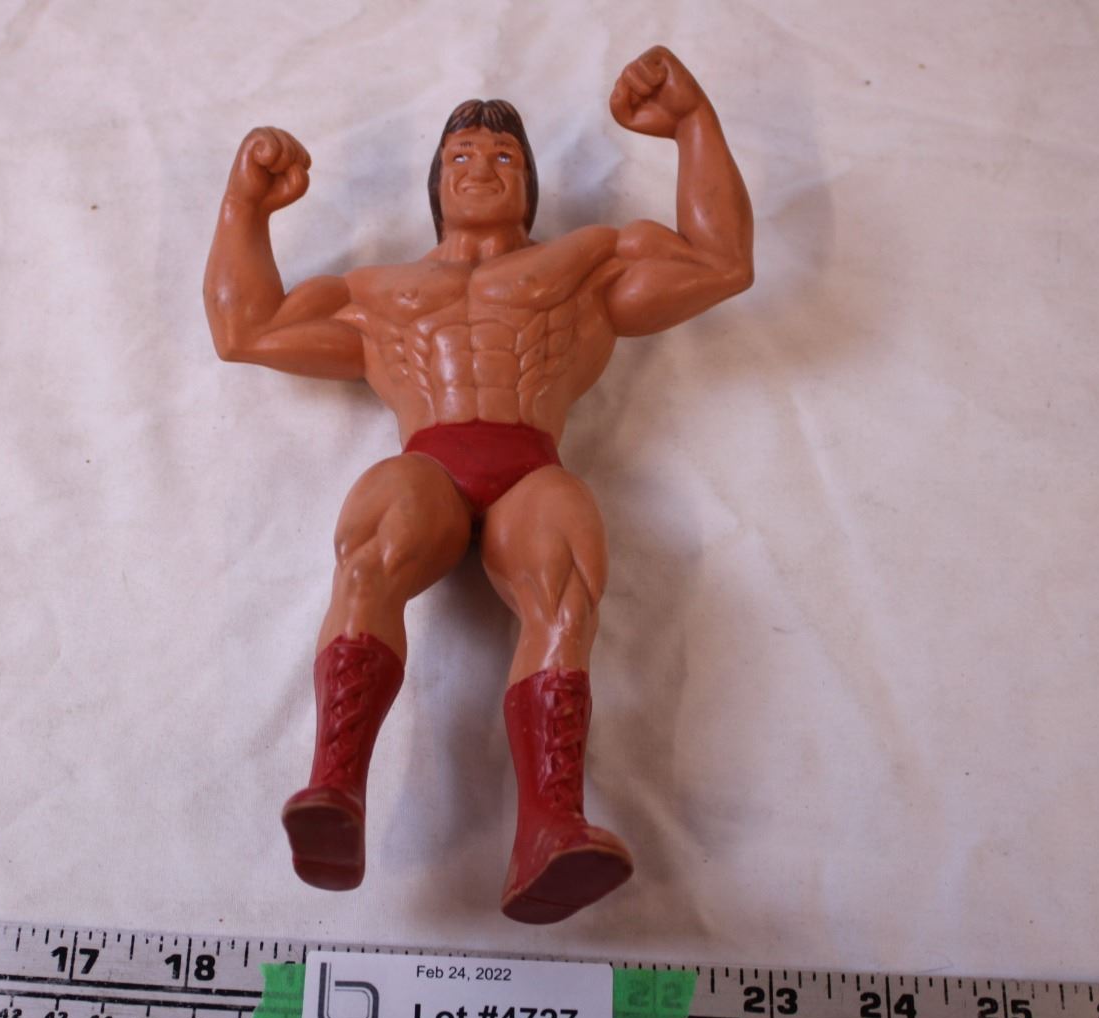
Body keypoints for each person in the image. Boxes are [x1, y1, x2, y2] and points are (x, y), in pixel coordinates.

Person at [203, 46, 754, 923]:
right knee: (378, 528)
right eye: (460, 155)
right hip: (427, 466)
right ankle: (334, 788)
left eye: (503, 156)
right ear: (436, 183)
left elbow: (720, 262)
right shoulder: (378, 293)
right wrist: (244, 208)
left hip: (532, 468)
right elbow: (246, 329)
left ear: (529, 183)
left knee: (567, 564)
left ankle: (551, 829)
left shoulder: (586, 263)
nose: (481, 167)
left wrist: (693, 125)